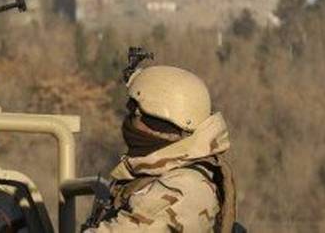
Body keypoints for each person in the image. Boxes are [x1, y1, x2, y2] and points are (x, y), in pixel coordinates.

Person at [84, 65, 238, 233]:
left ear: (162, 126)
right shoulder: (163, 173)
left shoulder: (182, 189)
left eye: (135, 115)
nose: (129, 122)